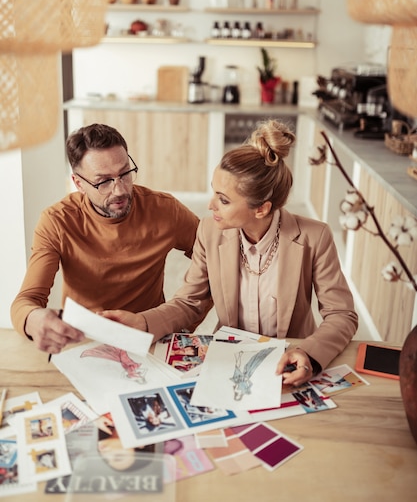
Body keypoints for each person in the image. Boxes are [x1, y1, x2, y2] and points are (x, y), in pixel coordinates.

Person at [101, 119, 358, 387]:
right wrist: (142, 322)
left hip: (286, 365)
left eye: (223, 200)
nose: (210, 205)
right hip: (227, 362)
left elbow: (342, 315)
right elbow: (190, 303)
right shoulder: (209, 232)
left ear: (261, 209)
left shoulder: (314, 237)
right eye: (214, 192)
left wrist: (309, 353)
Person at [10, 123, 199, 355]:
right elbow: (27, 300)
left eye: (125, 174)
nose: (119, 190)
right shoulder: (57, 221)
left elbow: (215, 258)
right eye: (103, 181)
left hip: (150, 338)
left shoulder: (165, 210)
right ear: (78, 183)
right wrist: (32, 319)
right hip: (83, 341)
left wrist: (179, 320)